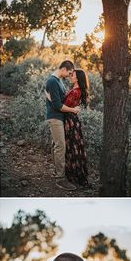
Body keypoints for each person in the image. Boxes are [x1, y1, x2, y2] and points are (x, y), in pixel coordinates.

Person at [47, 69, 90, 187]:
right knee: (68, 147)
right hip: (70, 120)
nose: (70, 76)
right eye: (71, 74)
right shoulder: (75, 90)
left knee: (70, 147)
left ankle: (71, 175)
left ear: (77, 78)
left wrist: (50, 97)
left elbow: (61, 105)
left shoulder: (76, 92)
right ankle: (66, 172)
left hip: (70, 121)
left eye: (73, 75)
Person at [46, 60, 80, 191]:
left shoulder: (57, 81)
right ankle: (60, 179)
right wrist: (73, 110)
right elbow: (57, 105)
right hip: (55, 118)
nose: (69, 75)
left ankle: (57, 173)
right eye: (70, 72)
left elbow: (58, 99)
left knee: (57, 145)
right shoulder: (53, 81)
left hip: (59, 117)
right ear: (64, 69)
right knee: (60, 146)